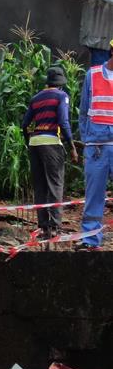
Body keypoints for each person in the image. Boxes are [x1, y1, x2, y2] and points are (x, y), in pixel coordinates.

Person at [21, 66, 77, 240]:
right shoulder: (62, 96)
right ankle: (54, 227)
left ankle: (44, 227)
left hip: (35, 143)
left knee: (40, 186)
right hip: (52, 142)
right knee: (55, 184)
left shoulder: (36, 98)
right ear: (60, 84)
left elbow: (24, 124)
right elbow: (63, 121)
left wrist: (28, 140)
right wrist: (72, 145)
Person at [76, 39, 113, 250]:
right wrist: (88, 138)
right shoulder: (93, 75)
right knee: (94, 197)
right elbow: (83, 110)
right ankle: (90, 240)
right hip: (97, 147)